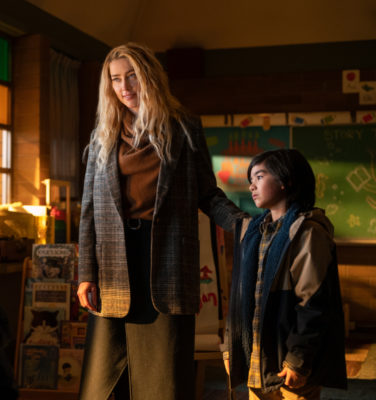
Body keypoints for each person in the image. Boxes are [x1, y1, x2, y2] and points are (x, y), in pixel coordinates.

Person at [76, 42, 245, 399]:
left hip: (166, 263)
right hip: (113, 269)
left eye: (132, 76)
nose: (125, 87)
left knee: (164, 382)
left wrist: (243, 224)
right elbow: (89, 210)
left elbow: (207, 195)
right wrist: (86, 273)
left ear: (150, 77)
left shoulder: (184, 130)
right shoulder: (102, 137)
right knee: (102, 385)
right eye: (116, 79)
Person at [224, 149, 347, 400]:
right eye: (251, 179)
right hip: (257, 363)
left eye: (259, 177)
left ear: (285, 181)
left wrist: (298, 359)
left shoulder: (307, 232)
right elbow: (239, 297)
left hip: (288, 367)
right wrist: (231, 347)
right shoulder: (256, 231)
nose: (251, 186)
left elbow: (313, 303)